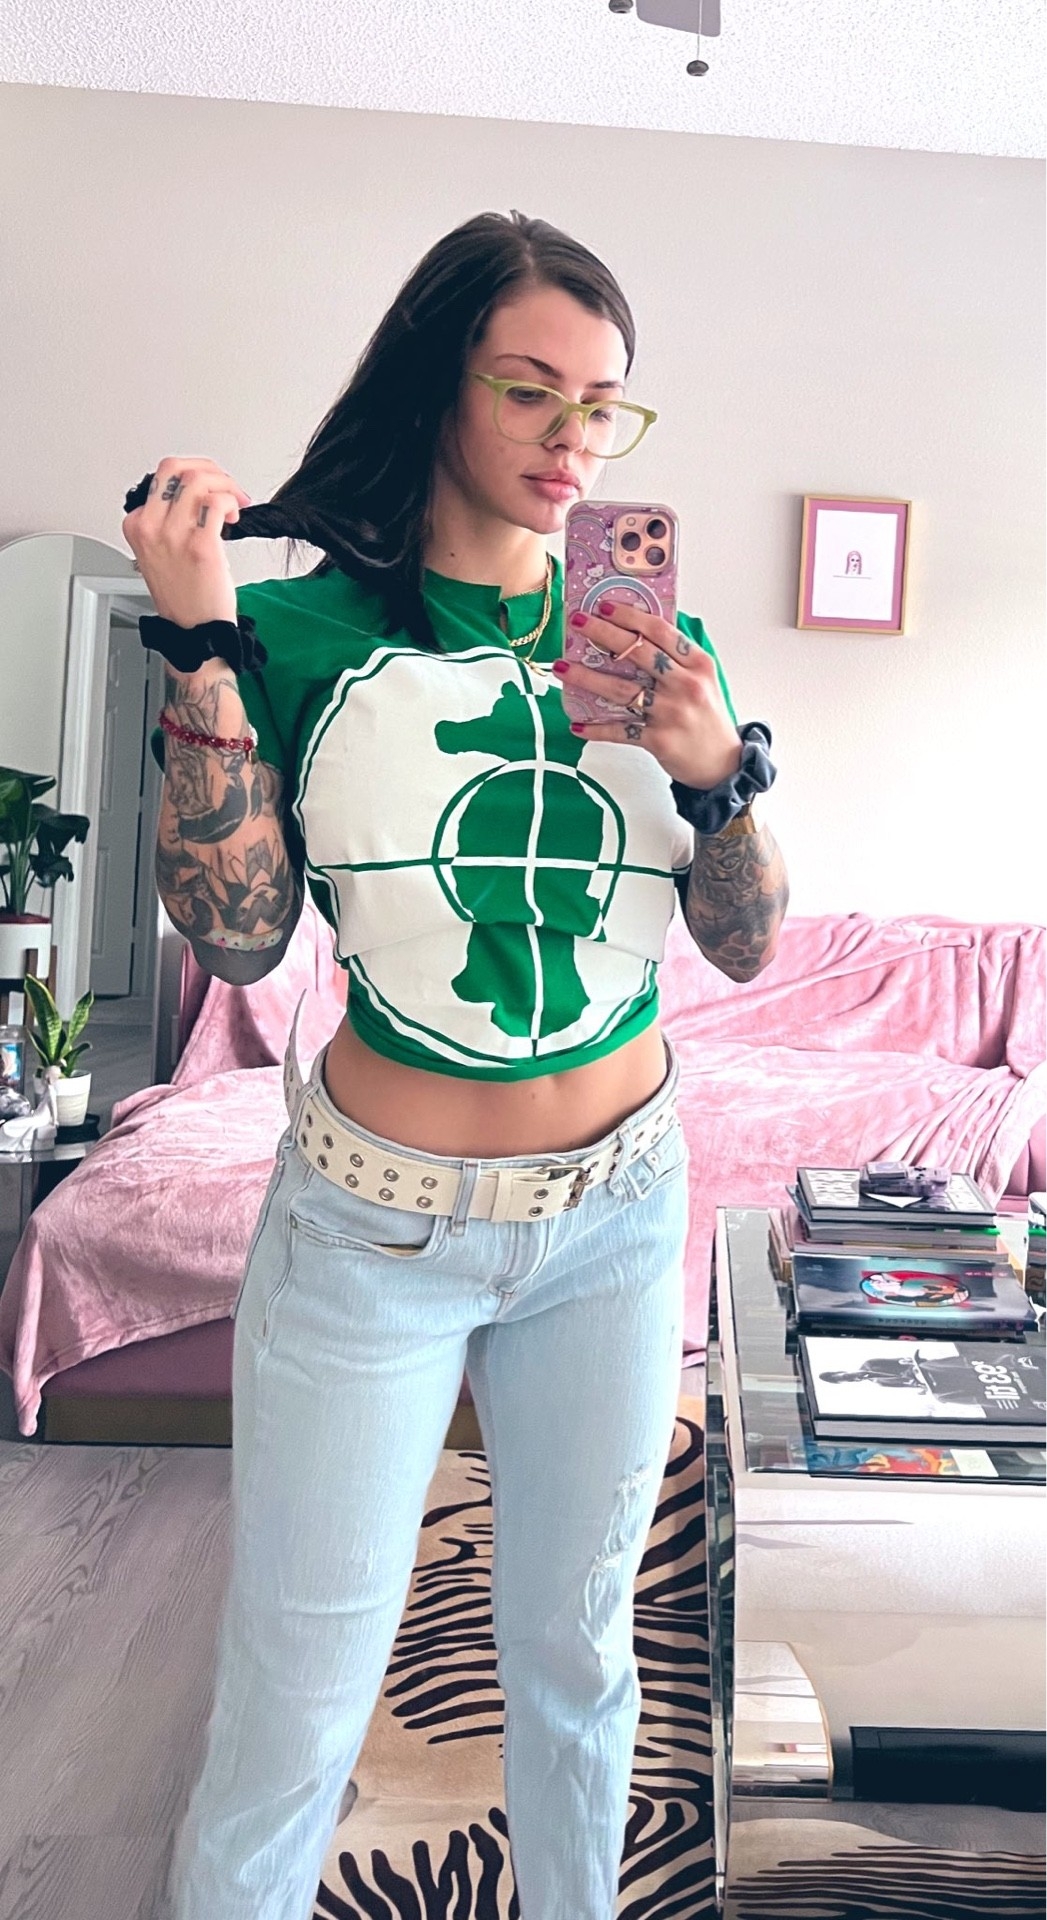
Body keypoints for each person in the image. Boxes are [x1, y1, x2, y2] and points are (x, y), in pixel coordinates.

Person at [123, 209, 789, 1920]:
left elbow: (742, 942)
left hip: (619, 1214)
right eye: (529, 389)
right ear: (440, 383)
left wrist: (716, 774)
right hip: (372, 1233)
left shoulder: (658, 648)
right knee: (295, 1704)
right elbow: (239, 936)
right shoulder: (298, 632)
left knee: (581, 1664)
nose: (575, 439)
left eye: (604, 403)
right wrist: (198, 644)